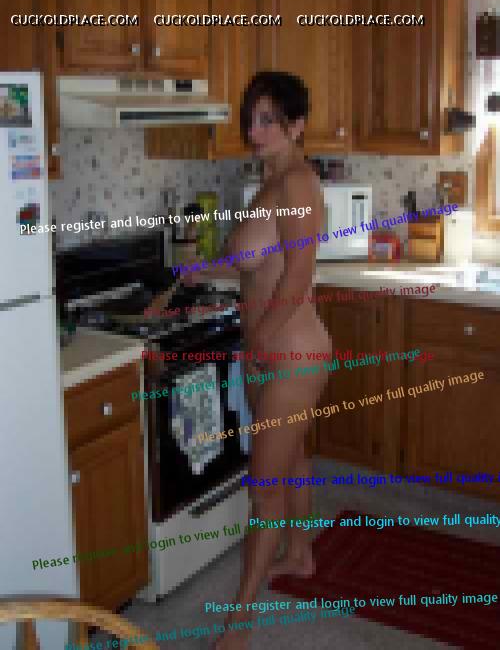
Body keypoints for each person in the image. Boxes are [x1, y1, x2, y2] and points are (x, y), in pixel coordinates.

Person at [150, 71, 331, 649]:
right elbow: (253, 265)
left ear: (297, 125)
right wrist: (194, 273)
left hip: (291, 352)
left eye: (268, 120)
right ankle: (299, 553)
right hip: (272, 348)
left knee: (263, 488)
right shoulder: (268, 182)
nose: (254, 131)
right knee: (291, 458)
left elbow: (298, 277)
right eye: (251, 119)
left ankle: (240, 622)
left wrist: (258, 344)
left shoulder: (297, 182)